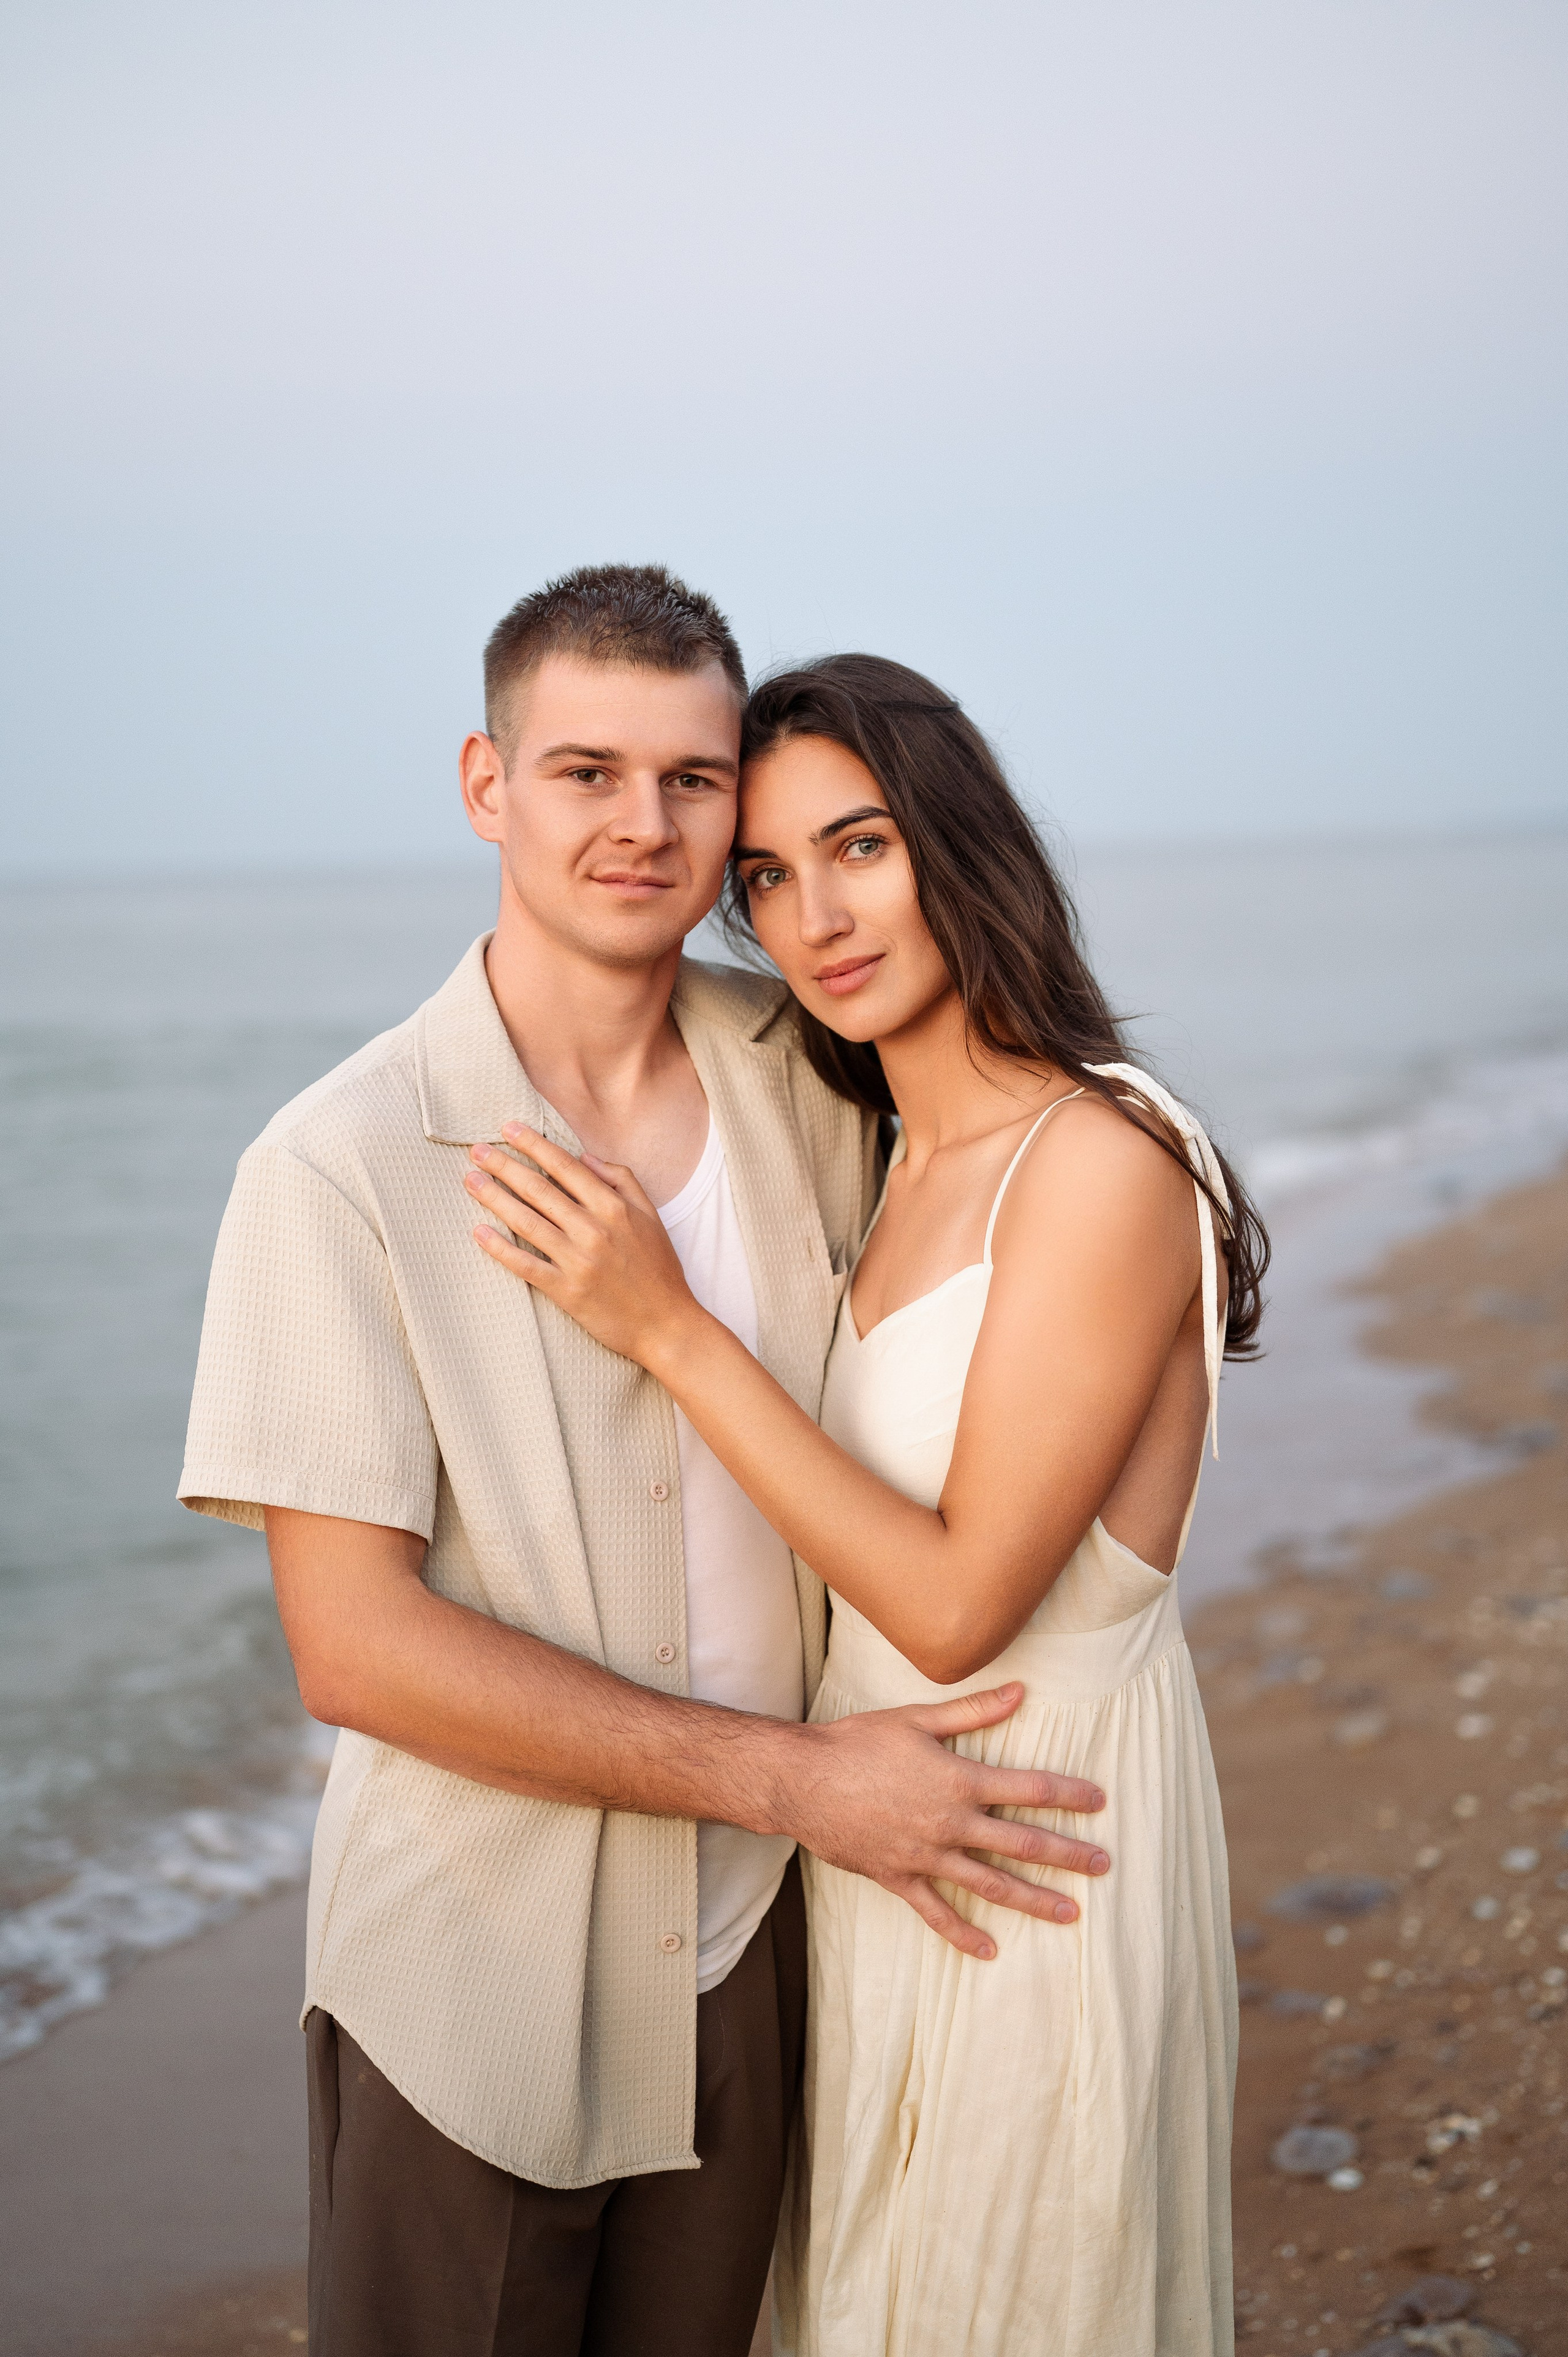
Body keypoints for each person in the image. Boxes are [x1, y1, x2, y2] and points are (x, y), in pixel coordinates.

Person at [178, 576, 1109, 2357]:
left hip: (772, 1947)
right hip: (480, 1976)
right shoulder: (339, 1165)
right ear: (486, 785)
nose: (645, 825)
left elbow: (1018, 1219)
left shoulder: (816, 1075)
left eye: (693, 780)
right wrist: (798, 1785)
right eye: (586, 771)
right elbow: (353, 1651)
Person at [464, 652, 1270, 2357]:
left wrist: (666, 1328)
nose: (814, 915)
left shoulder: (1103, 1159)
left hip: (1035, 1851)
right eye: (764, 876)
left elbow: (962, 1599)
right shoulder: (895, 1158)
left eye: (862, 845)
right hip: (881, 1843)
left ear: (955, 845)